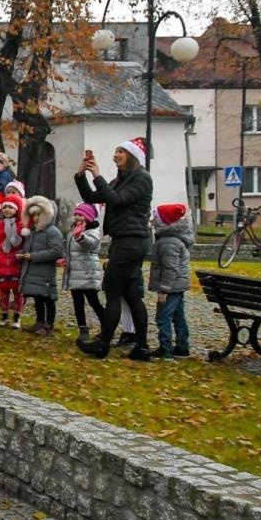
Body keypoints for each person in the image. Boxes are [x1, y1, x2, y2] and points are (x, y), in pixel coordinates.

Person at [75, 139, 154, 360]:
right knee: (131, 294)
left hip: (131, 242)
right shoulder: (120, 180)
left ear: (131, 156)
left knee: (113, 292)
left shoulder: (142, 179)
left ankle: (103, 344)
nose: (115, 155)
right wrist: (82, 175)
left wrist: (98, 175)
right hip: (124, 241)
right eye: (115, 151)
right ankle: (142, 347)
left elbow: (116, 201)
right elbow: (91, 197)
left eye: (120, 151)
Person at [149, 202, 193, 359]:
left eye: (155, 218)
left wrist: (164, 289)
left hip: (171, 286)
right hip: (178, 285)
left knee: (163, 316)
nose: (152, 221)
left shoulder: (168, 242)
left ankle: (165, 348)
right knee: (178, 315)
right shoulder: (173, 238)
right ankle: (182, 346)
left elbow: (170, 268)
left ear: (163, 222)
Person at [18, 196, 64, 335]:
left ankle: (48, 325)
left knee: (47, 299)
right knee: (37, 297)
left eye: (39, 214)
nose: (36, 218)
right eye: (33, 215)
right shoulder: (33, 232)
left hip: (45, 273)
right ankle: (39, 322)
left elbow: (56, 251)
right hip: (33, 272)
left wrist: (34, 256)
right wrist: (21, 253)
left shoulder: (53, 232)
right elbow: (28, 247)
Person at [65, 202, 106, 345]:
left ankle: (107, 327)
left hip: (87, 271)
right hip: (76, 272)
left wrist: (80, 237)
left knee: (93, 301)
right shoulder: (74, 229)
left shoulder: (93, 231)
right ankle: (83, 329)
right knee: (77, 302)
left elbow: (91, 244)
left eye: (81, 214)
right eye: (76, 214)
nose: (77, 217)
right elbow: (71, 248)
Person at [0, 194, 24, 328]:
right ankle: (4, 315)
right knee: (3, 292)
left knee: (18, 293)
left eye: (10, 207)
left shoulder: (22, 226)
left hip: (17, 264)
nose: (7, 210)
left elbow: (25, 244)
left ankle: (17, 316)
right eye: (5, 207)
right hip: (2, 263)